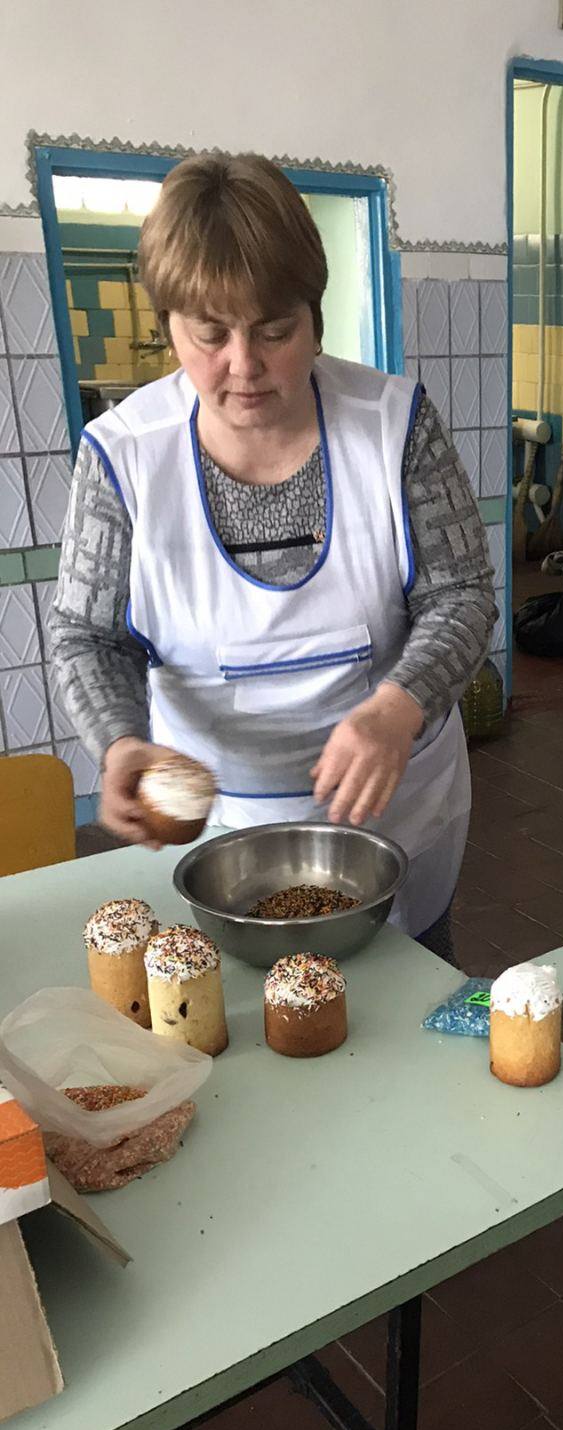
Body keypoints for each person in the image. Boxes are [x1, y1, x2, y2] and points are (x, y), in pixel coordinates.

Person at [50, 155, 497, 960]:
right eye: (209, 334)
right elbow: (88, 635)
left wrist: (398, 708)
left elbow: (461, 592)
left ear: (314, 320)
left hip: (393, 814)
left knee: (411, 992)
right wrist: (121, 742)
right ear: (168, 324)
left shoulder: (394, 425)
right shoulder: (124, 456)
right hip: (224, 831)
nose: (243, 365)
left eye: (274, 331)